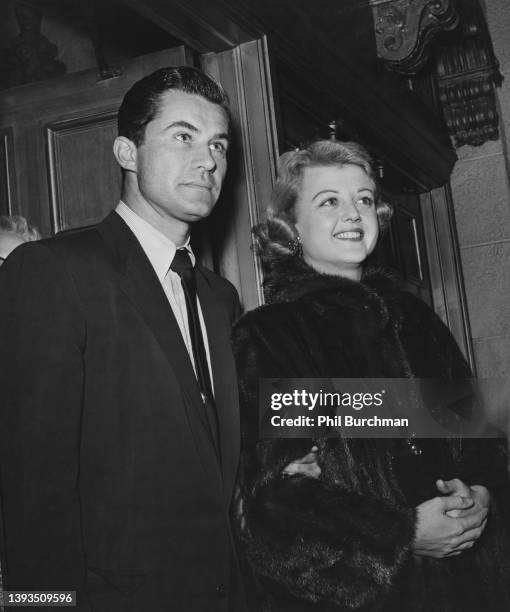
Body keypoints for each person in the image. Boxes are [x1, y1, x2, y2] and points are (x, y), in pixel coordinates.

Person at [0, 66, 247, 612]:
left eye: (219, 145)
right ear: (127, 153)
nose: (208, 160)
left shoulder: (220, 298)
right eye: (183, 136)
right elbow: (31, 493)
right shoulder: (53, 270)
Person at [232, 140, 510, 611]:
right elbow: (279, 500)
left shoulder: (416, 320)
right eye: (329, 201)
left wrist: (481, 495)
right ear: (291, 225)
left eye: (363, 198)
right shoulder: (272, 336)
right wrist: (404, 534)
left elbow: (478, 438)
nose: (353, 213)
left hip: (466, 588)